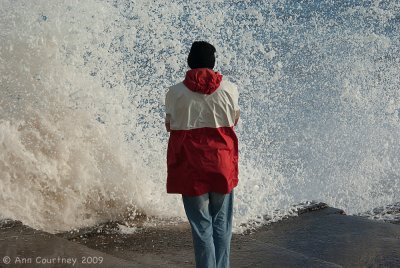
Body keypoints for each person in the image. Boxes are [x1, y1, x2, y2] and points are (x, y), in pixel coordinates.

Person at [165, 41, 240, 268]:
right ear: (213, 63)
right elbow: (234, 120)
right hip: (221, 163)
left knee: (202, 227)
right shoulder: (229, 89)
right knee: (222, 225)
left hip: (191, 165)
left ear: (190, 61)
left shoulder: (175, 92)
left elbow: (170, 126)